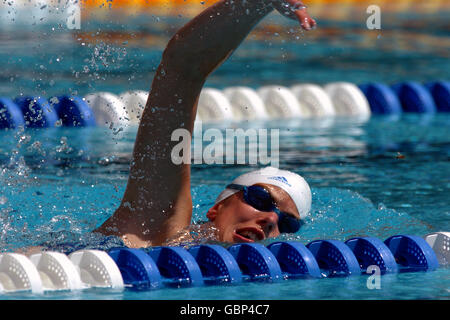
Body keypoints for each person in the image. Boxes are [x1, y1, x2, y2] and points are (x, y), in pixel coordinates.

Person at [94, 0, 317, 248]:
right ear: (216, 208)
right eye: (260, 198)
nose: (271, 219)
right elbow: (183, 65)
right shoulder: (153, 229)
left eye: (288, 225)